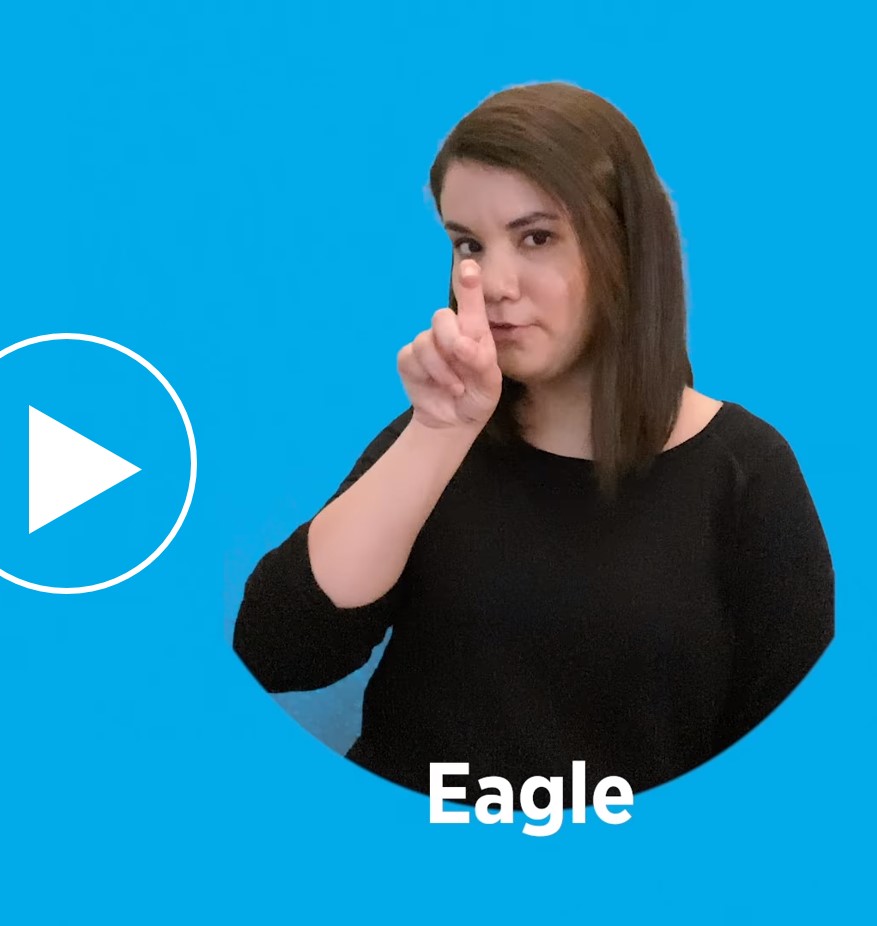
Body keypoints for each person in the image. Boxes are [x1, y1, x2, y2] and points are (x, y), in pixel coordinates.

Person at [231, 81, 835, 804]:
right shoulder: (437, 437)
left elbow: (789, 772)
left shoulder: (745, 472)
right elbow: (275, 651)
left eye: (536, 237)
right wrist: (437, 433)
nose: (490, 284)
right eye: (467, 244)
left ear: (623, 244)